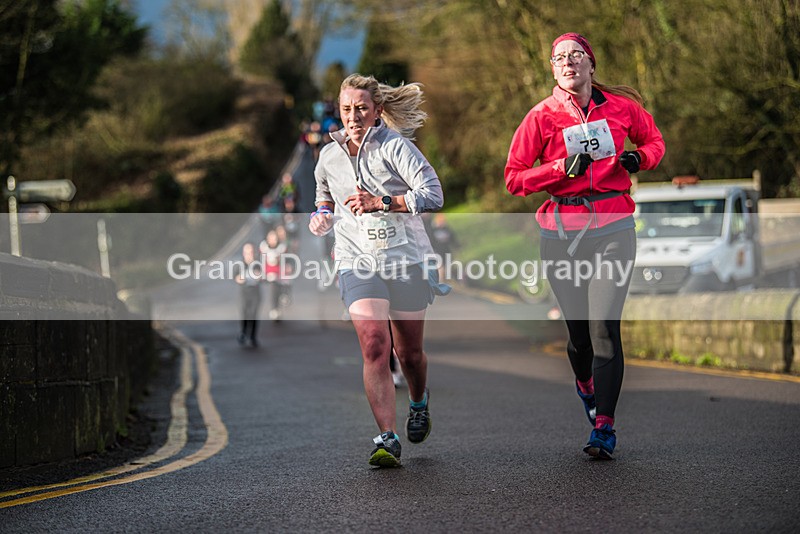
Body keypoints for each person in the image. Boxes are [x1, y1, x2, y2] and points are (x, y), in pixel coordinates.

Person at [505, 33, 665, 460]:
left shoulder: (622, 108)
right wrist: (557, 169)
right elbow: (514, 178)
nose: (568, 62)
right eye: (559, 58)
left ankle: (604, 427)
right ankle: (586, 385)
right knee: (579, 338)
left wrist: (639, 159)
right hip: (562, 235)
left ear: (591, 65)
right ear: (553, 69)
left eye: (576, 55)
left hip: (613, 228)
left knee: (604, 329)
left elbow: (655, 143)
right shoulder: (540, 116)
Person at [308, 73, 445, 467]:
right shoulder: (328, 155)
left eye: (361, 109)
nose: (353, 117)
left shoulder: (395, 147)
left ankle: (418, 401)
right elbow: (323, 196)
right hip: (355, 259)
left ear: (377, 111)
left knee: (409, 353)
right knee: (373, 344)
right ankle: (387, 437)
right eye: (346, 109)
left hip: (404, 257)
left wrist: (383, 202)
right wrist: (320, 215)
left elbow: (432, 194)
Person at [235, 242, 263, 348]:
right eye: (247, 252)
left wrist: (259, 276)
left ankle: (253, 336)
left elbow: (262, 276)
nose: (249, 254)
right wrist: (240, 279)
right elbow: (236, 278)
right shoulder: (240, 265)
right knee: (245, 313)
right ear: (243, 253)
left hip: (255, 293)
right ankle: (243, 333)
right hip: (244, 293)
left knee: (254, 314)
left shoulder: (258, 264)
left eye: (251, 252)